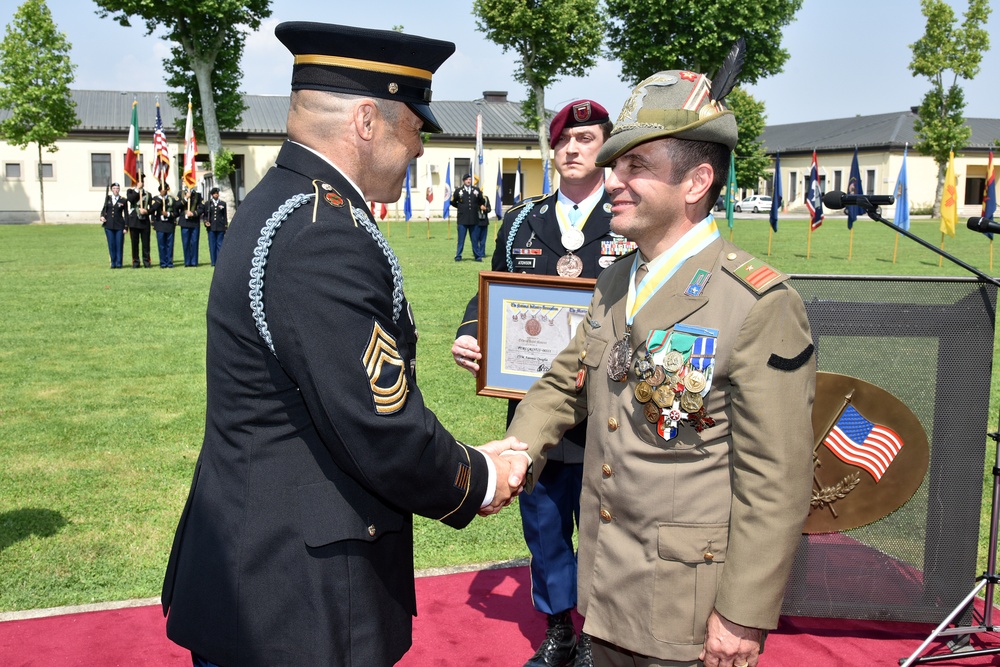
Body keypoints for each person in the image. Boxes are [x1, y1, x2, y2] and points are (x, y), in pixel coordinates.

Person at [161, 21, 528, 667]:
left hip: (269, 574)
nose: (419, 148)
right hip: (293, 600)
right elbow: (377, 422)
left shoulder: (291, 203)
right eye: (415, 127)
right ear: (367, 120)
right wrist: (480, 475)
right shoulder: (319, 232)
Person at [505, 69, 816, 667]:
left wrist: (743, 613)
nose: (612, 178)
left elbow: (775, 480)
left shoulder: (757, 304)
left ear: (697, 181)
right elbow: (564, 382)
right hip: (608, 587)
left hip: (690, 611)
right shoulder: (619, 278)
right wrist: (517, 449)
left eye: (636, 166)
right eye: (616, 164)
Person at [452, 99, 631, 667]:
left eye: (586, 138)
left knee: (610, 526)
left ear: (605, 147)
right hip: (534, 404)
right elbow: (493, 296)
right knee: (546, 524)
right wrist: (470, 333)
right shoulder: (523, 220)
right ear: (551, 152)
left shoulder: (629, 215)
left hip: (611, 405)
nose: (574, 149)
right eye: (564, 141)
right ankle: (560, 630)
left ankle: (602, 636)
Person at [450, 172, 484, 261]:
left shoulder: (476, 190)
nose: (469, 181)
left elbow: (481, 200)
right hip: (462, 219)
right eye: (467, 179)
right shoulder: (459, 191)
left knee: (475, 240)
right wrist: (461, 207)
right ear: (463, 181)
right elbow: (453, 202)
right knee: (461, 240)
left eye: (470, 179)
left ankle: (477, 256)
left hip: (473, 219)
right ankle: (458, 255)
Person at [125, 176, 153, 268]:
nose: (141, 183)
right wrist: (137, 189)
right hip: (134, 221)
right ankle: (136, 261)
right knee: (134, 243)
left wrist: (147, 212)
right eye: (138, 181)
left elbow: (151, 208)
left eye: (142, 181)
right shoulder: (130, 192)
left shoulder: (148, 194)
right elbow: (131, 199)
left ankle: (146, 261)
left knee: (146, 243)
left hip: (144, 221)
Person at [99, 182, 128, 268]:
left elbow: (126, 214)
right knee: (111, 244)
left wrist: (126, 227)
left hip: (119, 225)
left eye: (117, 188)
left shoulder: (123, 200)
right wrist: (102, 216)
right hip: (109, 225)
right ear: (112, 189)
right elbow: (104, 209)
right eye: (114, 188)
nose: (116, 190)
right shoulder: (108, 198)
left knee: (119, 244)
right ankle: (113, 262)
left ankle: (119, 263)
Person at [150, 183, 177, 268]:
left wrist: (168, 214)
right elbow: (153, 209)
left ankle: (169, 262)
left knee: (170, 244)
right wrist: (160, 200)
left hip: (169, 224)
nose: (163, 191)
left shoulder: (171, 199)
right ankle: (162, 262)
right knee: (161, 245)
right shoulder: (155, 199)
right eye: (161, 189)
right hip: (160, 224)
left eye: (164, 189)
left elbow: (176, 212)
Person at [177, 186, 204, 267]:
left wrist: (193, 213)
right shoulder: (181, 194)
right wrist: (185, 198)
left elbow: (202, 208)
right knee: (186, 243)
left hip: (194, 222)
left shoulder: (197, 195)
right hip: (184, 222)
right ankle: (187, 262)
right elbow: (176, 205)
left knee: (194, 242)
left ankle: (194, 262)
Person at [203, 186, 228, 266]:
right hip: (211, 227)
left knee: (220, 244)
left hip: (220, 227)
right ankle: (213, 262)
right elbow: (205, 215)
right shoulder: (208, 204)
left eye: (217, 193)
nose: (216, 195)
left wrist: (225, 226)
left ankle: (219, 261)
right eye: (214, 193)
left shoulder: (222, 203)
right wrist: (206, 222)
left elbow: (225, 216)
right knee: (212, 245)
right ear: (212, 195)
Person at [471, 192, 492, 261]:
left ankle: (482, 253)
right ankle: (477, 253)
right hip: (476, 222)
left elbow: (489, 209)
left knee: (483, 240)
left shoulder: (486, 198)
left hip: (484, 222)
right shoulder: (473, 199)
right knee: (476, 239)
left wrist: (485, 208)